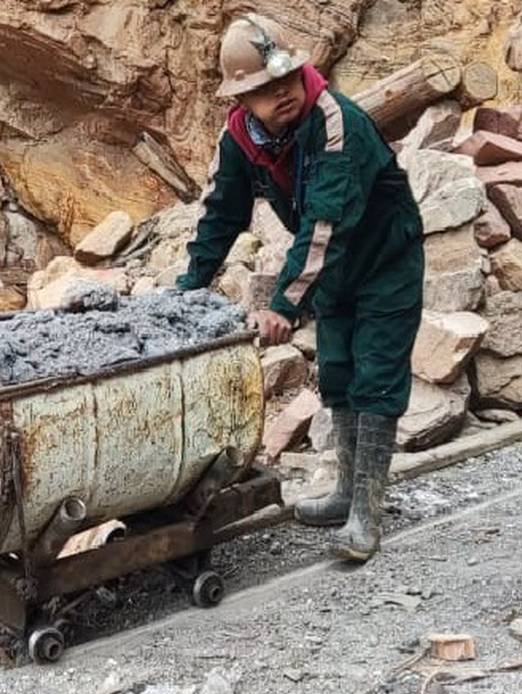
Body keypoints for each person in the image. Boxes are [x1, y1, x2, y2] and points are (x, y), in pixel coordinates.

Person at [177, 14, 424, 562]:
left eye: (287, 79)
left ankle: (366, 512)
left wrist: (283, 304)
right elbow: (220, 214)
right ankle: (344, 492)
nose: (283, 93)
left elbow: (324, 222)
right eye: (266, 89)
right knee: (337, 371)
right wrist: (188, 288)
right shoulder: (239, 139)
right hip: (333, 269)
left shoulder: (336, 122)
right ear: (242, 98)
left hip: (385, 259)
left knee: (376, 375)